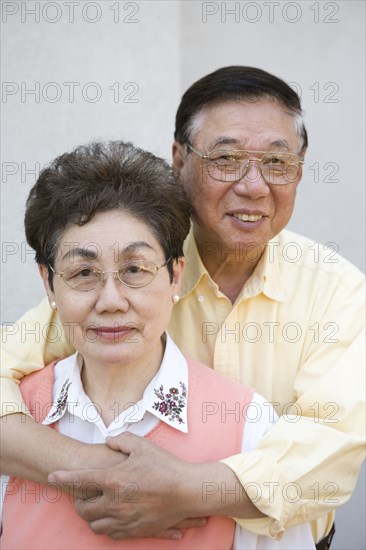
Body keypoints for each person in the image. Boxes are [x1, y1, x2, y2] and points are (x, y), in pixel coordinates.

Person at [1, 67, 365, 549]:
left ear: (298, 170)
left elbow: (334, 448)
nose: (253, 185)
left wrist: (188, 490)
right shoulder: (134, 272)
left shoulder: (337, 289)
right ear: (179, 159)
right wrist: (112, 475)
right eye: (226, 158)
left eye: (276, 162)